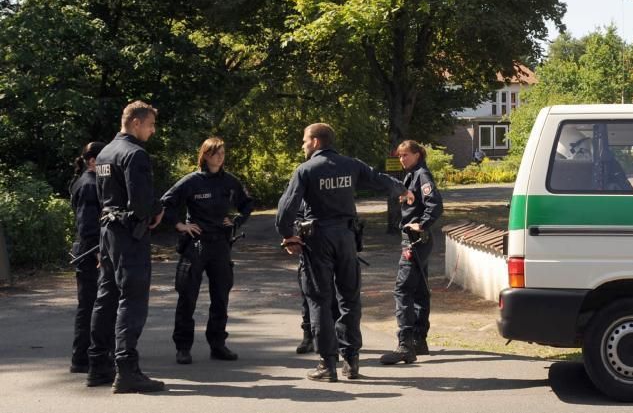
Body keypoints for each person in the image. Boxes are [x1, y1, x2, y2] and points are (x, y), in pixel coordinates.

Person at [276, 123, 413, 382]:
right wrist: (404, 191)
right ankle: (351, 362)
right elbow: (379, 179)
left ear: (316, 141)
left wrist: (287, 236)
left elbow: (286, 209)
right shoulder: (350, 164)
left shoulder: (305, 170)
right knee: (349, 299)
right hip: (347, 239)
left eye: (305, 140)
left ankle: (327, 365)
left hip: (318, 240)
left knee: (319, 299)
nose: (302, 145)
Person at [86, 101, 165, 393]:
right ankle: (127, 370)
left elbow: (101, 195)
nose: (152, 131)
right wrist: (157, 209)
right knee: (132, 299)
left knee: (106, 296)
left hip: (107, 230)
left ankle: (97, 365)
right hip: (129, 234)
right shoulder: (135, 154)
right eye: (150, 125)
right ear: (135, 123)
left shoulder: (105, 152)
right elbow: (141, 202)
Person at [159, 137, 254, 365]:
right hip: (195, 245)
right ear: (205, 155)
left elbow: (247, 204)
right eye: (215, 153)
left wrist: (236, 221)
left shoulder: (230, 182)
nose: (220, 157)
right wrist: (180, 225)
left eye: (222, 153)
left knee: (221, 296)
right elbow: (165, 203)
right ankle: (183, 347)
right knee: (187, 297)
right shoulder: (191, 181)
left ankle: (218, 344)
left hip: (220, 245)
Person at [380, 140, 444, 365]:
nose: (401, 159)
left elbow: (434, 203)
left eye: (406, 155)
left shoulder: (421, 175)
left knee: (402, 290)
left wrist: (423, 224)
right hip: (416, 241)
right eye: (399, 156)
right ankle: (419, 340)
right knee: (418, 290)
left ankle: (405, 344)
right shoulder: (412, 175)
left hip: (416, 241)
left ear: (417, 154)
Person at [68, 141, 107, 373]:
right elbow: (87, 224)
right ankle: (81, 357)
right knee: (90, 305)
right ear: (93, 160)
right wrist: (98, 250)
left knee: (91, 304)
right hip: (91, 250)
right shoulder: (90, 185)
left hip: (88, 249)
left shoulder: (83, 181)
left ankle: (86, 355)